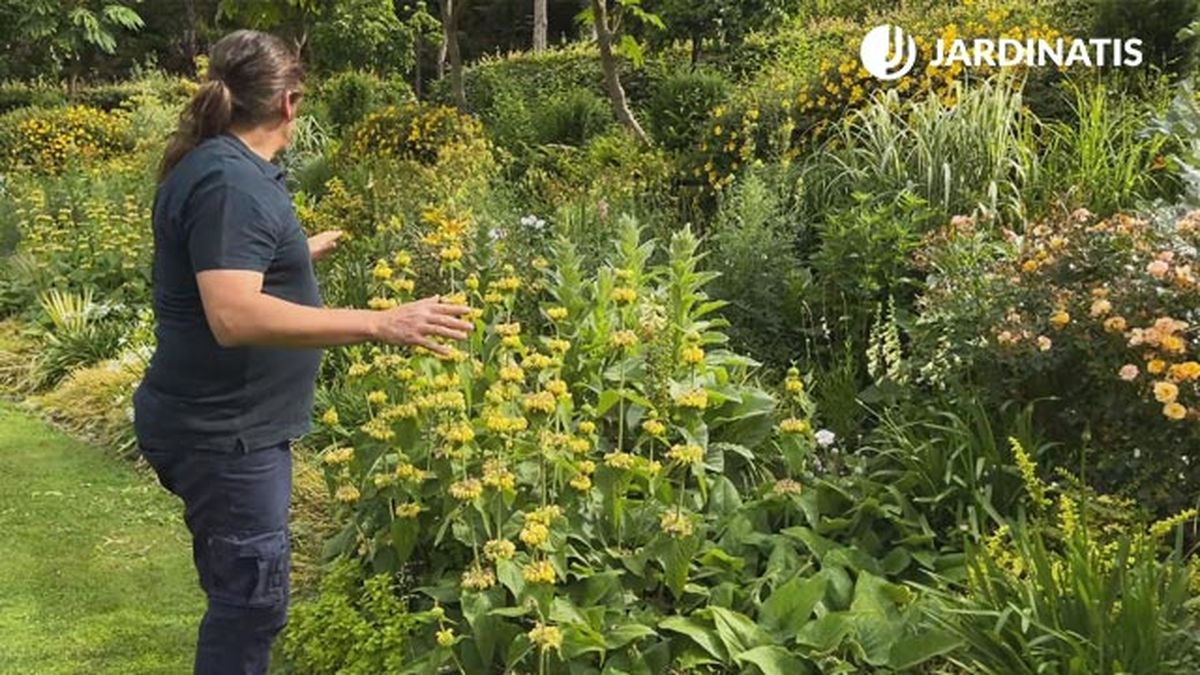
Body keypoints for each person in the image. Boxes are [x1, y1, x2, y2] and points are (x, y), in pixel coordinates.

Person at [133, 30, 474, 675]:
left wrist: (293, 253)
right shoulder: (233, 184)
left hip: (215, 425)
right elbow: (232, 315)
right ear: (289, 103)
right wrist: (381, 322)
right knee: (249, 605)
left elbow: (216, 265)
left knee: (239, 595)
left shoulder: (212, 165)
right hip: (226, 434)